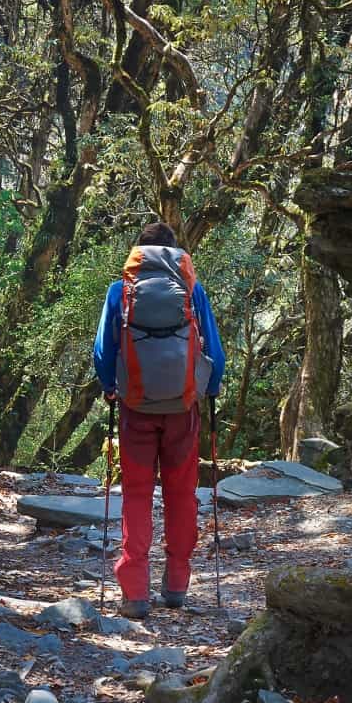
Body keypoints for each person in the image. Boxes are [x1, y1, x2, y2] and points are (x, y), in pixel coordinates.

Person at [91, 220, 226, 619]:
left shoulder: (121, 291)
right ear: (174, 255)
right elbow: (214, 352)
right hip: (183, 410)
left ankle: (134, 593)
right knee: (181, 494)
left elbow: (103, 351)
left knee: (136, 495)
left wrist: (110, 387)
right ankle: (176, 586)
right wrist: (210, 389)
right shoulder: (191, 290)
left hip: (135, 407)